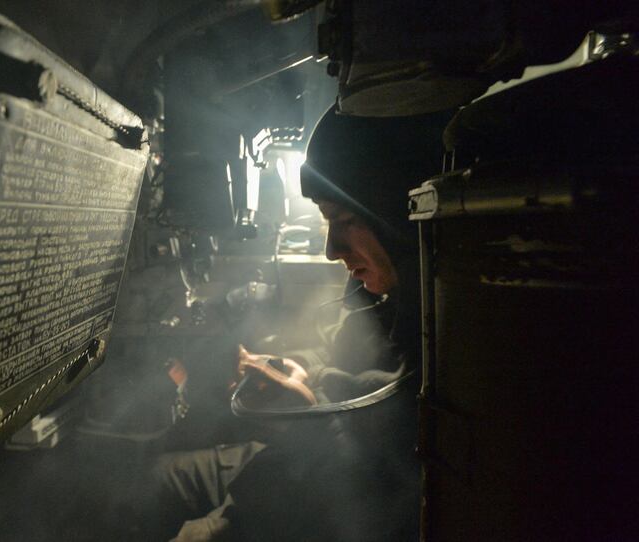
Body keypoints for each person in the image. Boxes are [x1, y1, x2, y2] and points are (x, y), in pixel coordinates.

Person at [142, 107, 451, 541]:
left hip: (334, 494)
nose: (332, 249)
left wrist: (311, 414)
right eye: (328, 223)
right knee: (149, 479)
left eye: (346, 221)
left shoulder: (451, 333)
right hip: (298, 457)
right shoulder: (385, 290)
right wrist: (296, 368)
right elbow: (343, 354)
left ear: (402, 215)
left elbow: (390, 490)